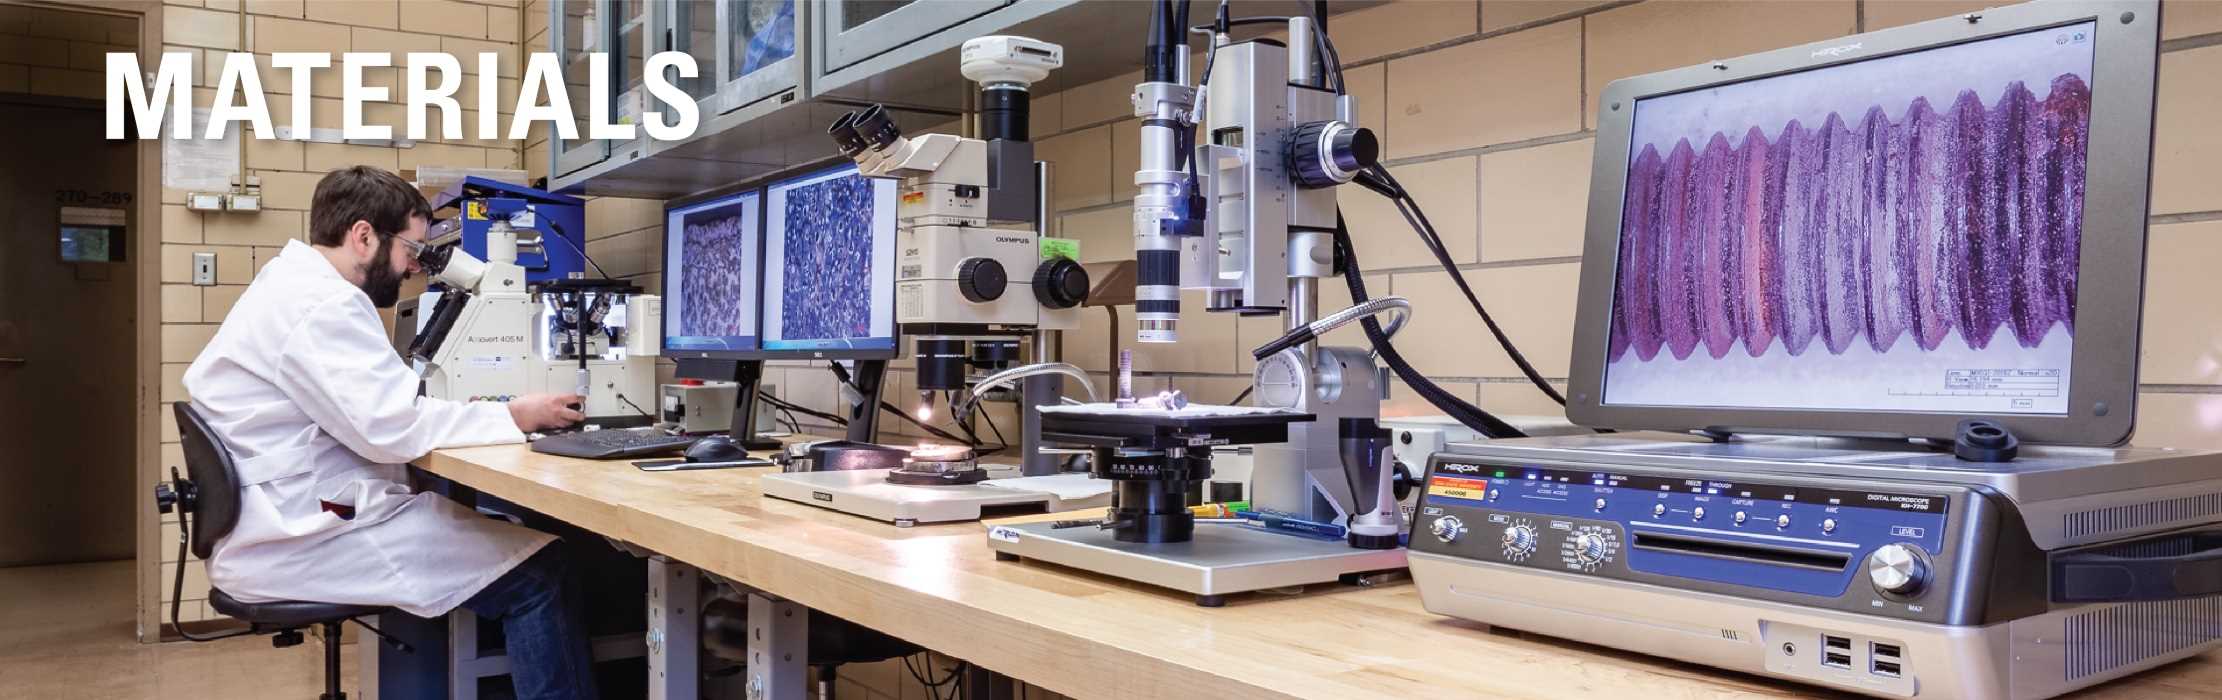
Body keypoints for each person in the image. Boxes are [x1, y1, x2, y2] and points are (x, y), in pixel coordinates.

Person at [183, 165, 599, 700]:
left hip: (280, 518)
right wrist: (514, 417)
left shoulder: (288, 283)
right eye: (411, 249)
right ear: (362, 236)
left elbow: (379, 414)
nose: (412, 267)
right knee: (545, 573)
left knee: (494, 530)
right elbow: (392, 428)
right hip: (299, 536)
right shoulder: (326, 304)